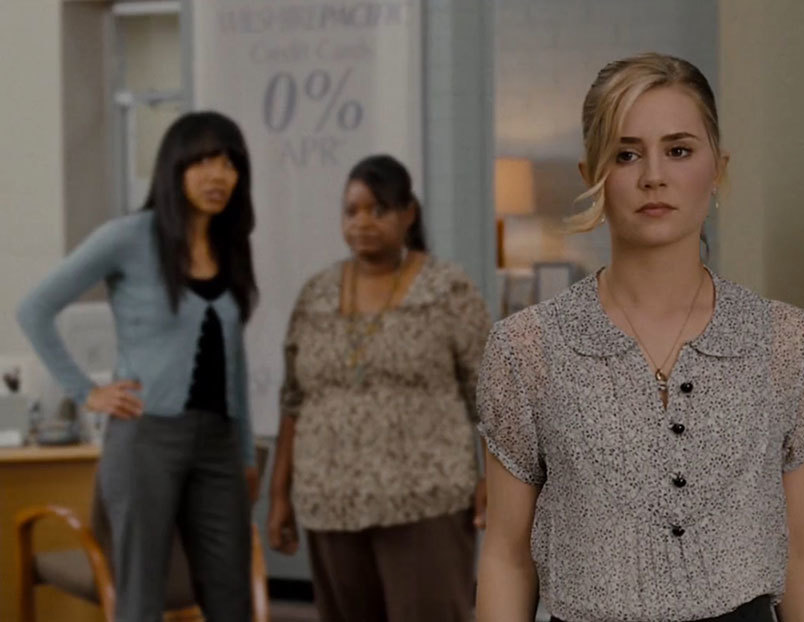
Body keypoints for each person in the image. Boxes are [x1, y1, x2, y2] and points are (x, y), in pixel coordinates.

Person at [474, 53, 804, 622]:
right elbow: (506, 557)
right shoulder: (527, 349)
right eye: (626, 154)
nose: (653, 176)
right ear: (591, 174)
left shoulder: (786, 342)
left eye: (679, 150)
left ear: (718, 167)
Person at [16, 111, 259, 622]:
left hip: (218, 443)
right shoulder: (128, 237)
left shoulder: (231, 245)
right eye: (204, 162)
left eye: (230, 164)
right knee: (141, 595)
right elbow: (34, 309)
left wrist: (243, 452)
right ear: (175, 167)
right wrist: (86, 391)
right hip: (147, 437)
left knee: (230, 593)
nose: (219, 176)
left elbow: (233, 357)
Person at [265, 155, 490, 622]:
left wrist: (494, 479)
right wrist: (280, 494)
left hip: (425, 501)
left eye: (378, 210)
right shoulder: (316, 293)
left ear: (408, 214)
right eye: (352, 211)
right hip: (330, 503)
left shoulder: (447, 289)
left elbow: (489, 393)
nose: (362, 222)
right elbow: (293, 400)